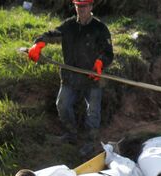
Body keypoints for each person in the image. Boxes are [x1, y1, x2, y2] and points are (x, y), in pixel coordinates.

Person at [27, 0, 114, 155]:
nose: (81, 9)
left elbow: (108, 52)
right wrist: (39, 44)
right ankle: (71, 133)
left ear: (91, 7)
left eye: (84, 6)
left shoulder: (100, 28)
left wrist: (100, 63)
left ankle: (90, 141)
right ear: (75, 7)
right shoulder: (69, 26)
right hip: (71, 77)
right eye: (78, 6)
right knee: (62, 104)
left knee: (93, 111)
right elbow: (52, 34)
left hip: (92, 77)